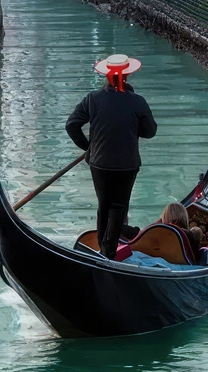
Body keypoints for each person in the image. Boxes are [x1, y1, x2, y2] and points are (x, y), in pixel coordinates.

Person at [66, 53, 158, 259]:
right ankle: (108, 250)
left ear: (107, 76)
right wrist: (132, 126)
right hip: (127, 164)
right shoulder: (137, 101)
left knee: (104, 205)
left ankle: (105, 245)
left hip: (99, 163)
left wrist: (89, 147)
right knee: (119, 205)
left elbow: (71, 125)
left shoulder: (93, 99)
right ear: (126, 76)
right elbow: (150, 131)